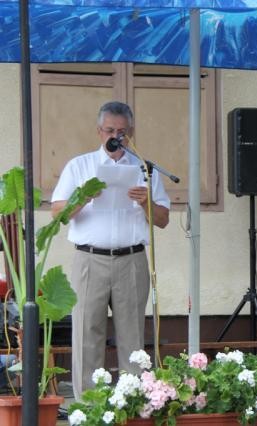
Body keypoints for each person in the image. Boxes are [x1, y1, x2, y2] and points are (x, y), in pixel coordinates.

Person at [51, 101, 170, 399]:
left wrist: (145, 203)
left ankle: (131, 404)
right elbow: (57, 212)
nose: (115, 136)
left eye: (122, 131)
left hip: (131, 260)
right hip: (90, 258)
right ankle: (89, 405)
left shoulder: (143, 168)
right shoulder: (79, 166)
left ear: (130, 133)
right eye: (109, 130)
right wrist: (84, 197)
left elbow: (164, 219)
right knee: (87, 334)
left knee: (132, 337)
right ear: (98, 131)